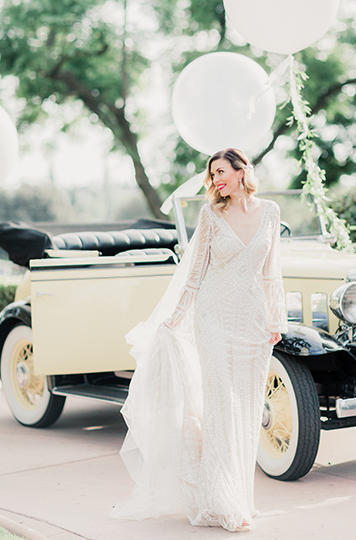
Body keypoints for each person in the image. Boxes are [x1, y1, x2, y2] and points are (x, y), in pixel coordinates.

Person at [111, 148, 287, 532]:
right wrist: (175, 318)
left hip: (253, 324)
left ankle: (239, 496)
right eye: (213, 174)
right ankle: (224, 504)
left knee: (245, 410)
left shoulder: (270, 212)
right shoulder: (211, 214)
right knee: (221, 406)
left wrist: (276, 319)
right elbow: (195, 273)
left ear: (242, 172)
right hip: (214, 319)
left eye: (222, 172)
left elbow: (272, 272)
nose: (216, 180)